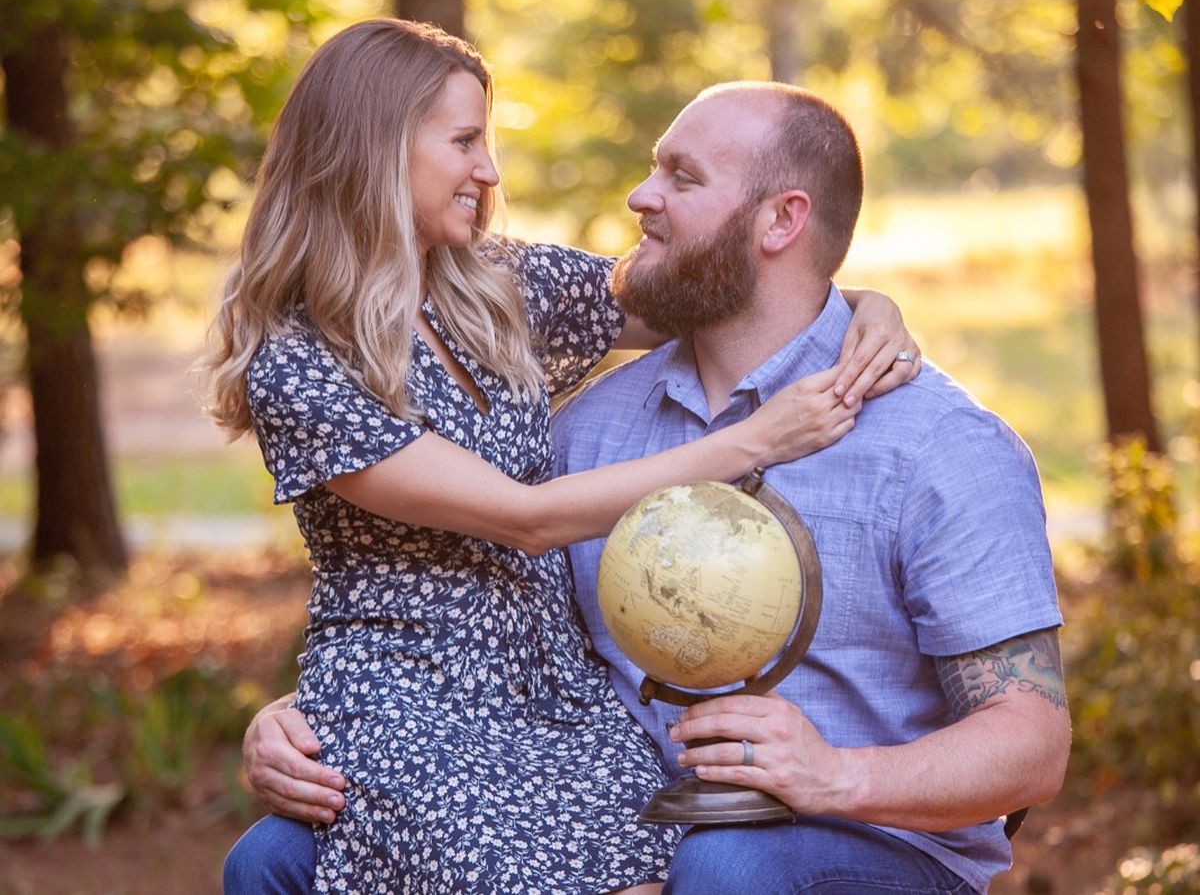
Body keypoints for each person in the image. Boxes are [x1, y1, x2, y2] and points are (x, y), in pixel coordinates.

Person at [243, 79, 1070, 894]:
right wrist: (329, 711)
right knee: (275, 858)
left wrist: (833, 776)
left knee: (724, 866)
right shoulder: (588, 434)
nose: (641, 196)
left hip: (863, 839)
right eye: (653, 168)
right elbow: (495, 614)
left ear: (782, 220)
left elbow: (1032, 745)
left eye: (682, 177)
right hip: (615, 814)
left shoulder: (937, 446)